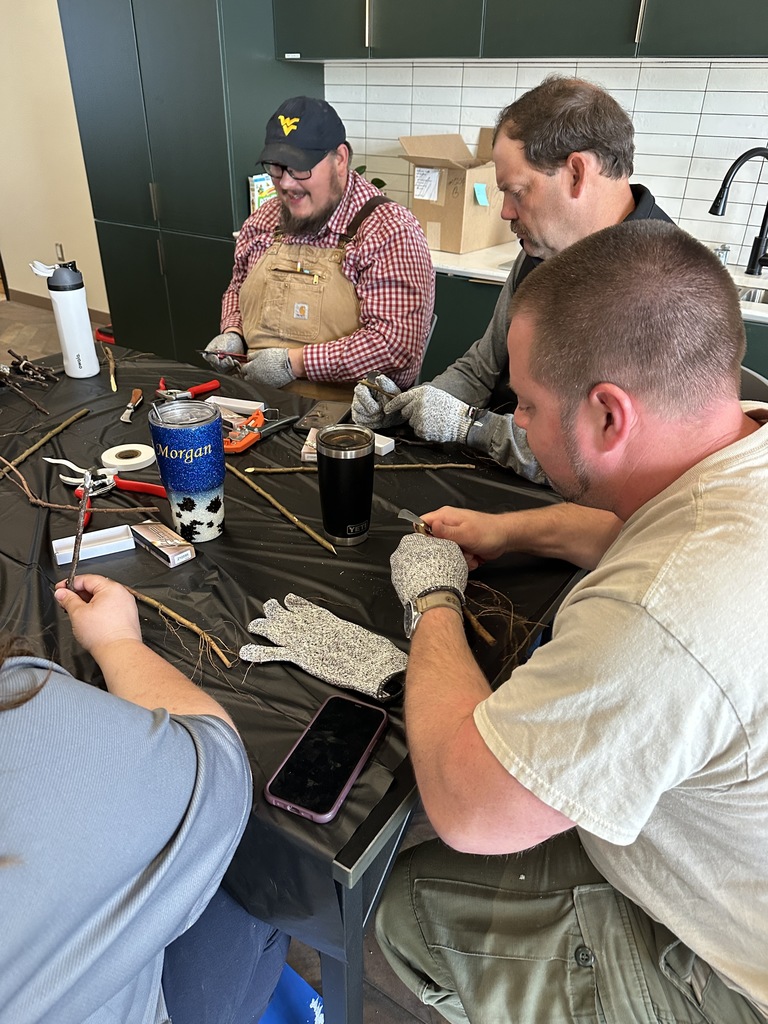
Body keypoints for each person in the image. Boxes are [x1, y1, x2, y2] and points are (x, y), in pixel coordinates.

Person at [378, 220, 768, 1024]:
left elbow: (464, 802)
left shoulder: (663, 609)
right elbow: (644, 533)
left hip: (733, 977)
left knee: (409, 903)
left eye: (526, 404)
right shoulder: (739, 449)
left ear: (608, 417)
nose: (515, 421)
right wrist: (510, 528)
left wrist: (433, 599)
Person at [0, 574, 289, 1024]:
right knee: (263, 893)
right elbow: (218, 767)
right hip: (132, 1002)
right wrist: (117, 643)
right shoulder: (20, 709)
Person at [352, 75, 672, 480]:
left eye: (517, 191)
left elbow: (595, 463)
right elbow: (482, 366)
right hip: (494, 463)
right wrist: (416, 403)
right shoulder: (542, 249)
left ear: (576, 173)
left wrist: (471, 426)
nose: (505, 212)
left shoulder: (664, 288)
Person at [204, 95, 435, 400]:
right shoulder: (263, 221)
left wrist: (295, 364)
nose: (285, 184)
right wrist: (233, 333)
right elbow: (237, 288)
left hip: (346, 426)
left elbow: (395, 349)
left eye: (299, 168)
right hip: (254, 406)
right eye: (276, 168)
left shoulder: (388, 231)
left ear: (340, 159)